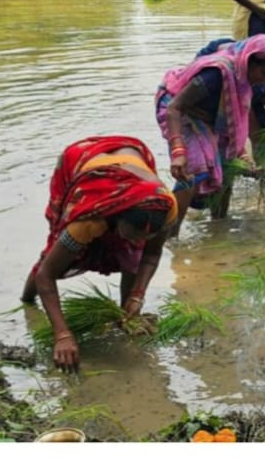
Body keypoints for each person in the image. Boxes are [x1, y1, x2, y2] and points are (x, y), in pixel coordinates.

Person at [20, 135, 177, 373]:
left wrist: (137, 296)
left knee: (133, 253)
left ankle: (126, 312)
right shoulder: (90, 218)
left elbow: (151, 256)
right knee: (54, 256)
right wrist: (62, 335)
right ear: (116, 217)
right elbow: (46, 275)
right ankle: (26, 300)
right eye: (130, 234)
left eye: (144, 237)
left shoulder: (164, 210)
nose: (137, 242)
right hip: (78, 163)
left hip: (134, 163)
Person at [156, 35, 265, 226]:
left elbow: (237, 124)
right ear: (248, 60)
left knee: (227, 164)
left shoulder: (245, 80)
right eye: (264, 73)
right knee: (195, 167)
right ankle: (170, 234)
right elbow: (175, 108)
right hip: (179, 108)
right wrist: (178, 151)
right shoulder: (216, 75)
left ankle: (218, 226)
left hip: (209, 115)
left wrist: (243, 157)